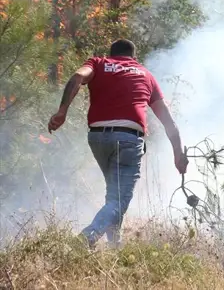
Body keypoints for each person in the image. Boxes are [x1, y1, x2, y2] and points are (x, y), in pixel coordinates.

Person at [47, 39, 188, 248]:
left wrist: (62, 111)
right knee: (119, 199)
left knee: (115, 195)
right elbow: (169, 121)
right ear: (134, 57)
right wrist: (177, 154)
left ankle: (115, 248)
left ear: (111, 54)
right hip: (129, 140)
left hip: (97, 138)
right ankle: (86, 239)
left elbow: (77, 77)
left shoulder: (97, 63)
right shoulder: (145, 75)